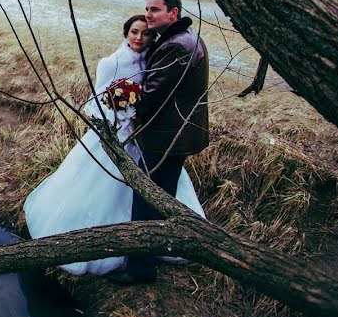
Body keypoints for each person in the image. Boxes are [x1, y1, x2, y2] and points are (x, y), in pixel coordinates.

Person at [23, 14, 205, 276]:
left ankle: (151, 243)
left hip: (144, 135)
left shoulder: (153, 60)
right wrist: (119, 115)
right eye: (134, 32)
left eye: (145, 34)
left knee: (149, 187)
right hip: (117, 133)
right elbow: (96, 101)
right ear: (125, 33)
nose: (139, 38)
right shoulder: (111, 63)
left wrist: (137, 111)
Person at [106, 0, 209, 285]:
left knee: (146, 198)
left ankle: (140, 268)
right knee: (163, 196)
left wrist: (123, 99)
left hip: (166, 137)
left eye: (155, 10)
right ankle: (160, 248)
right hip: (176, 134)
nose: (148, 14)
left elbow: (151, 96)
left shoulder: (177, 46)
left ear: (173, 14)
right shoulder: (181, 38)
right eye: (146, 9)